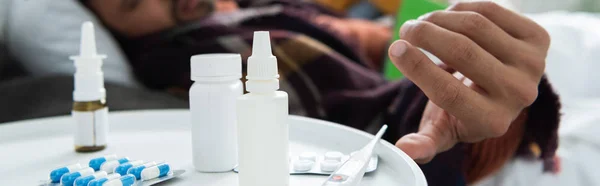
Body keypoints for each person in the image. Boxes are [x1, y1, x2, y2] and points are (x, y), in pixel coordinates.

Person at [80, 0, 560, 185]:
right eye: (130, 3)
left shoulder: (261, 11)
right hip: (435, 116)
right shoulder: (199, 50)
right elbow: (352, 130)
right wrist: (446, 102)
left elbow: (364, 37)